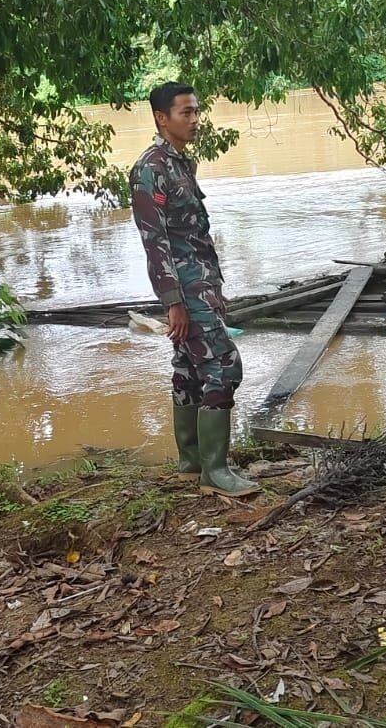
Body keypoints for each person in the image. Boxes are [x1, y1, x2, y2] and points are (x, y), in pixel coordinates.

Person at [129, 82, 259, 497]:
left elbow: (195, 237)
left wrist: (213, 290)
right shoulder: (150, 169)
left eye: (196, 111)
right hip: (184, 289)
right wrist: (174, 304)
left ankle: (191, 462)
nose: (195, 120)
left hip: (201, 285)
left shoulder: (181, 163)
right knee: (224, 365)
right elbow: (156, 242)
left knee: (189, 370)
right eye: (185, 113)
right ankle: (215, 472)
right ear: (161, 118)